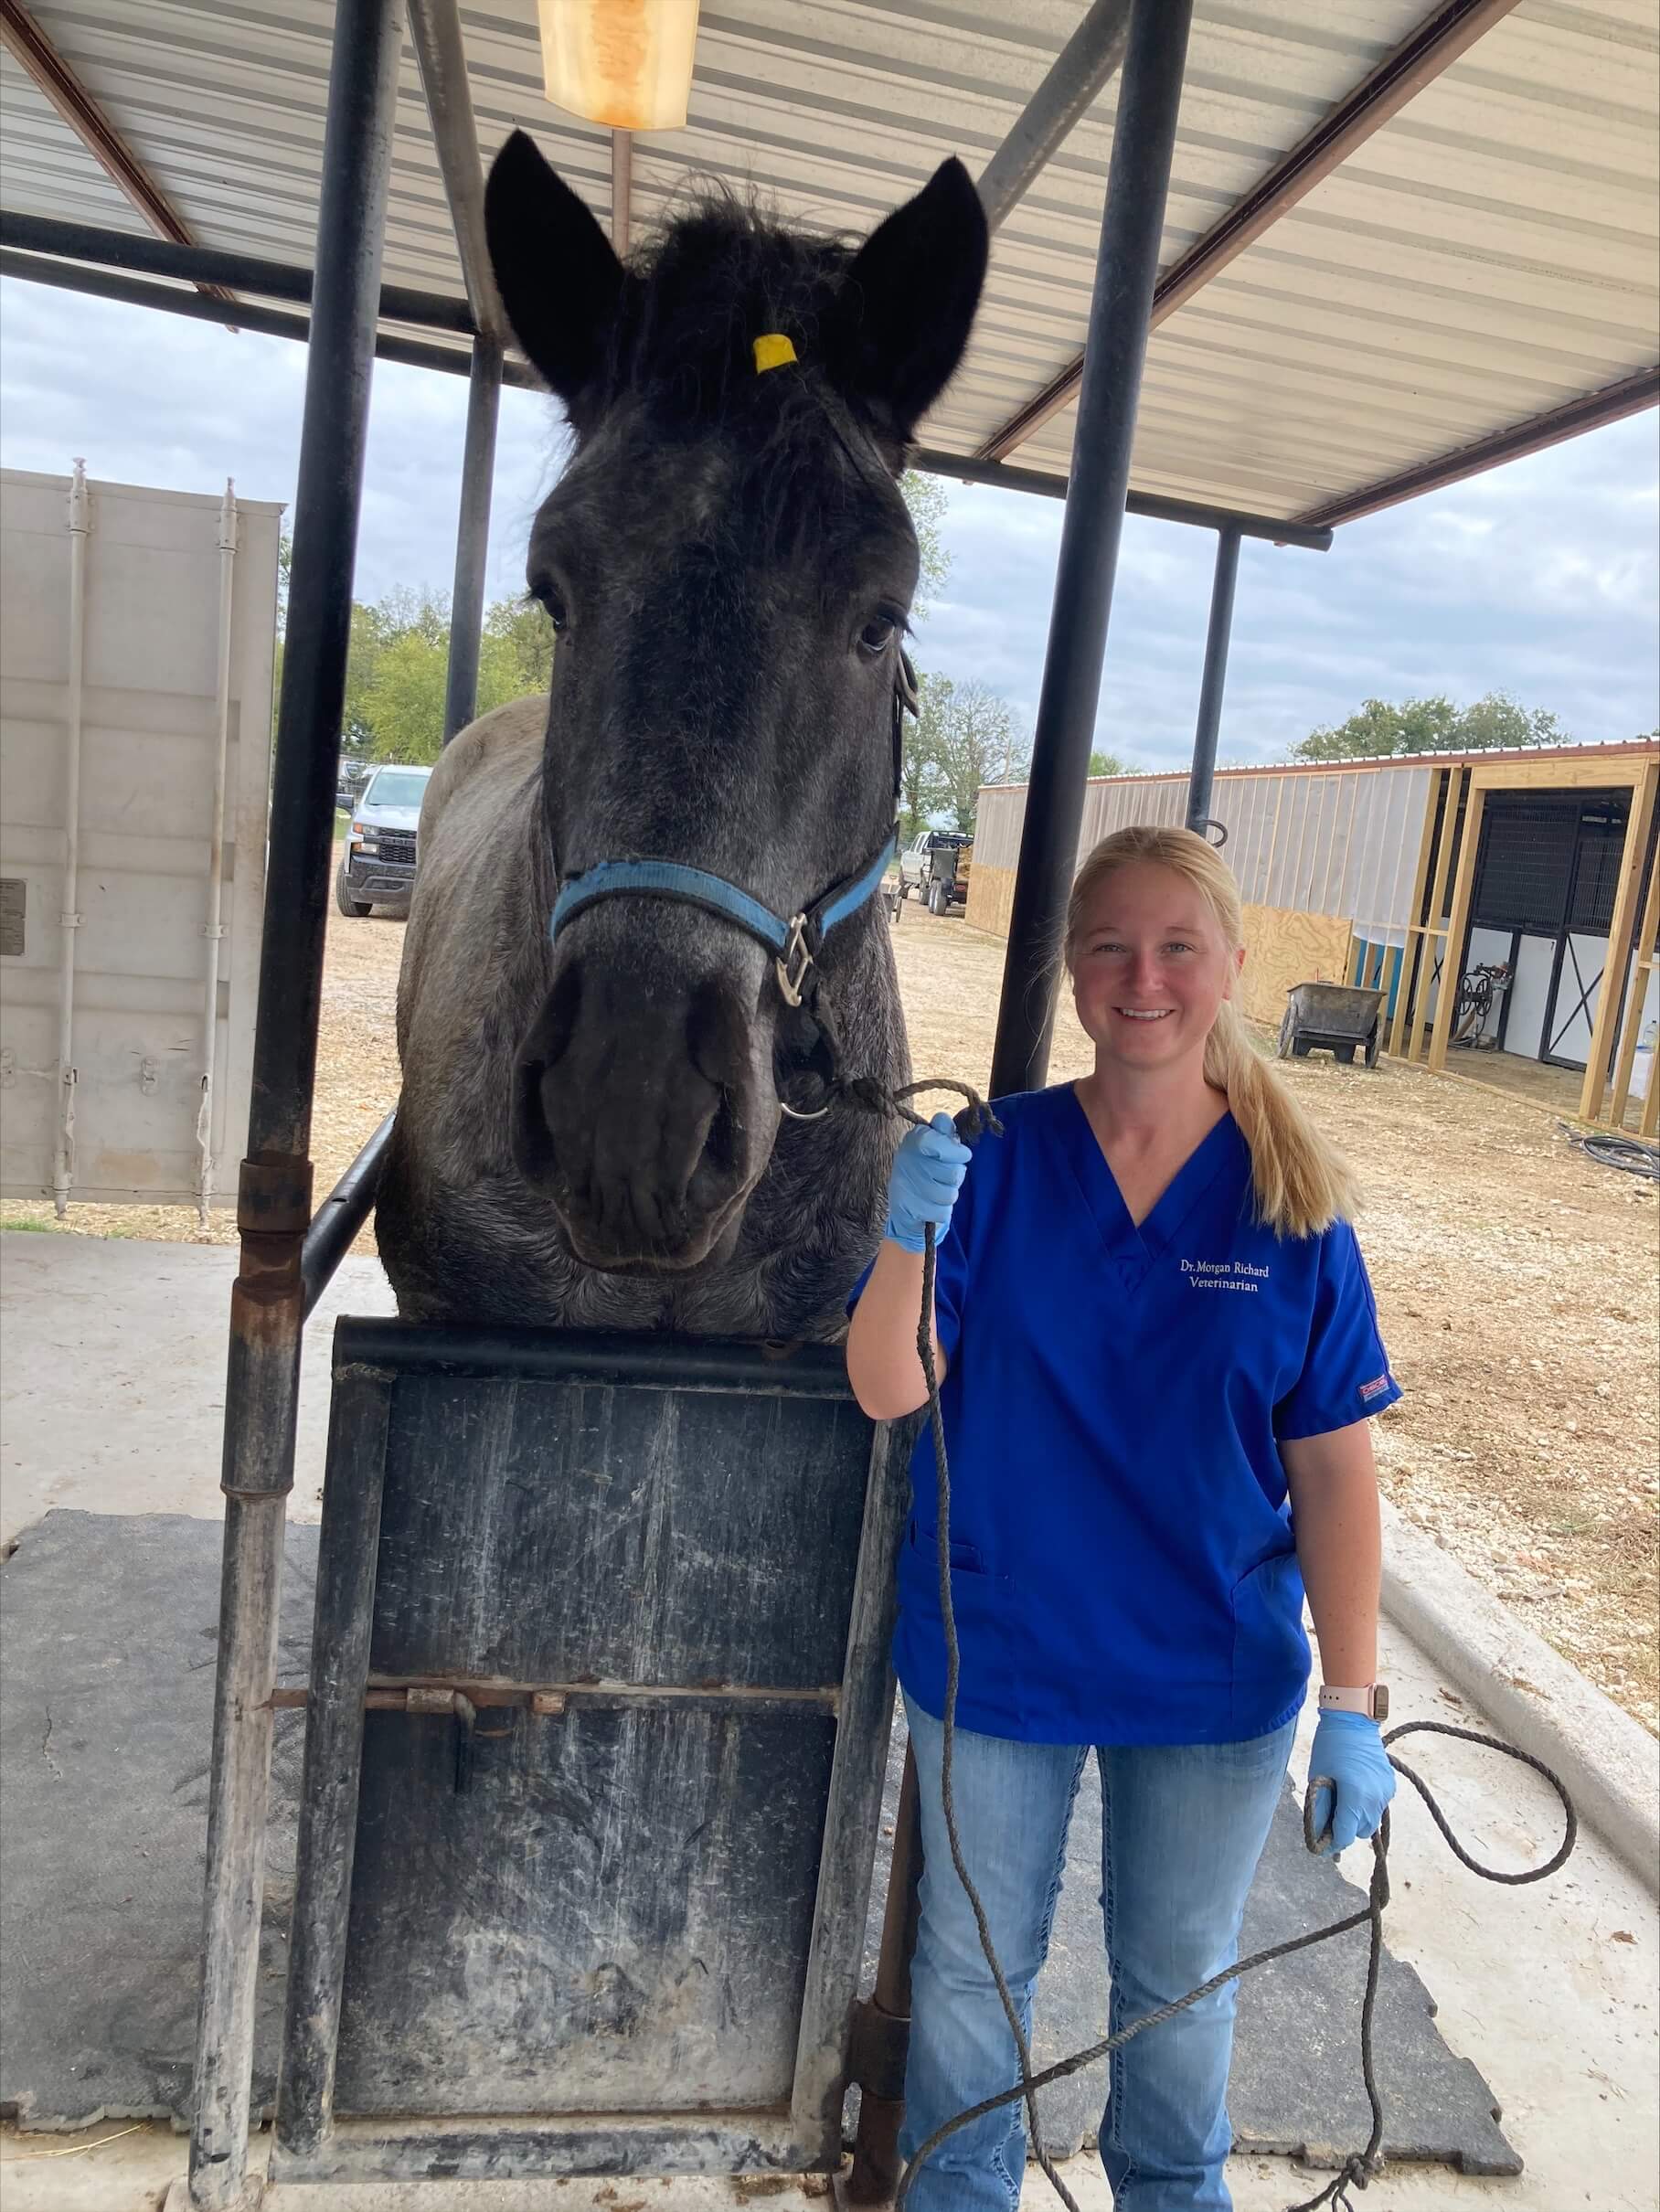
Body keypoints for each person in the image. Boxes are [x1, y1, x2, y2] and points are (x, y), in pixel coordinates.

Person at [846, 824, 1401, 2212]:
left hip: (1210, 1664)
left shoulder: (1293, 1203)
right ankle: (958, 2194)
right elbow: (886, 1387)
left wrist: (1355, 1702)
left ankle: (1171, 2196)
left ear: (1231, 968)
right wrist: (907, 1235)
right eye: (1111, 947)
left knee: (1179, 1985)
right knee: (971, 1976)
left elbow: (1336, 1472)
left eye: (1175, 948)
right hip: (1003, 1649)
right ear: (1072, 971)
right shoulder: (992, 1163)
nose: (1142, 978)